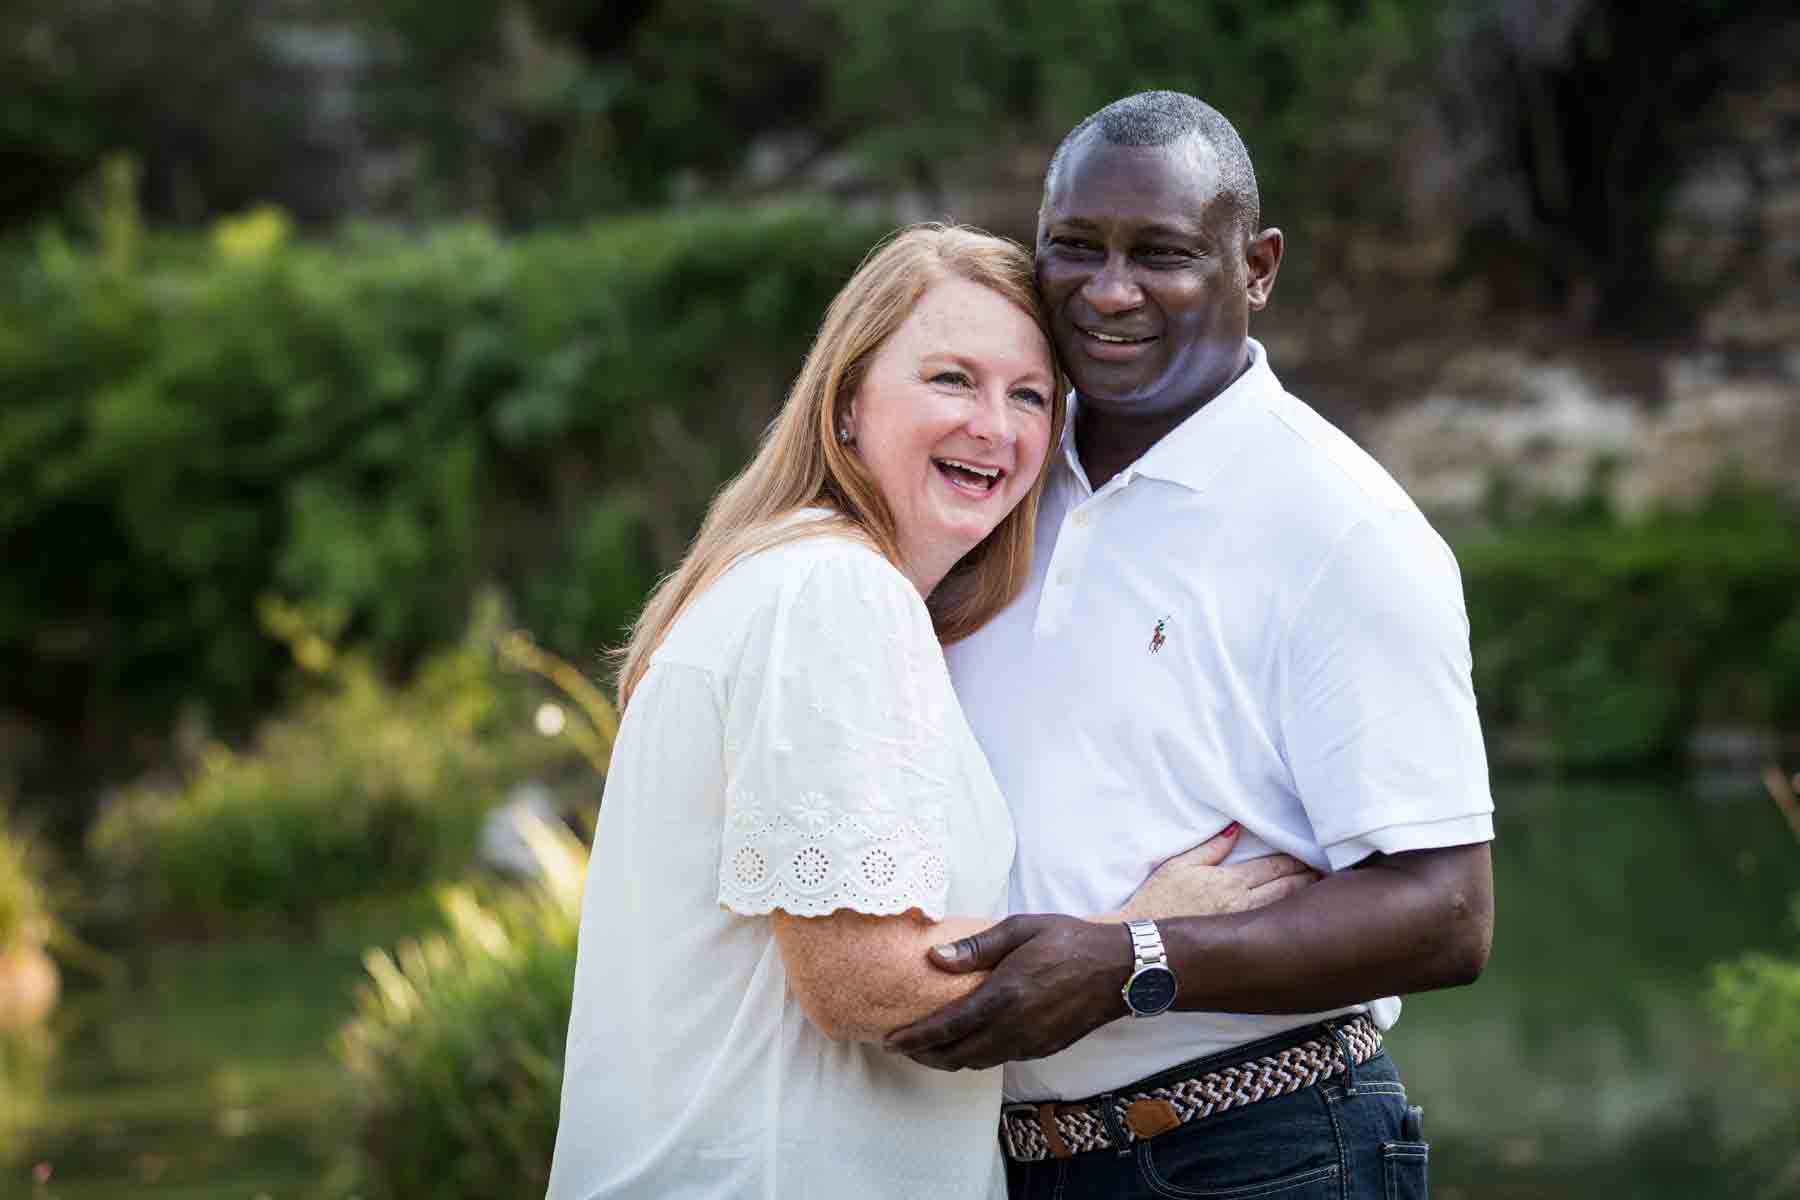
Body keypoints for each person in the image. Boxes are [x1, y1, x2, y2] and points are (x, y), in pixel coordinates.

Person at [544, 224, 1317, 1200]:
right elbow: (862, 983)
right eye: (952, 379)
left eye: (1029, 395)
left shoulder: (792, 580)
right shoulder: (834, 594)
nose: (994, 426)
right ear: (850, 402)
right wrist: (1133, 938)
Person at [886, 92, 1497, 1199]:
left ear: (1256, 267)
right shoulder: (997, 474)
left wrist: (1134, 965)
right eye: (1075, 248)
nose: (1108, 290)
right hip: (995, 1157)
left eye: (1160, 254)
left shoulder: (1341, 527)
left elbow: (1448, 912)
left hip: (1261, 1150)